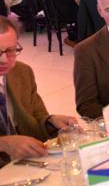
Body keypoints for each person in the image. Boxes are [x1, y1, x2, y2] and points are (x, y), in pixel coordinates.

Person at [0, 17, 76, 167]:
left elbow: (37, 117)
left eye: (11, 50)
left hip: (25, 165)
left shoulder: (22, 72)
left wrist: (51, 122)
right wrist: (4, 144)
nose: (4, 59)